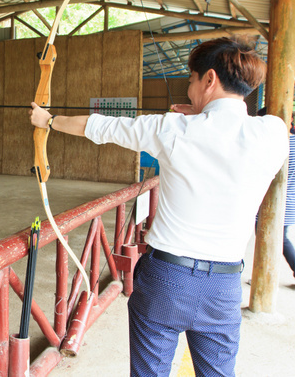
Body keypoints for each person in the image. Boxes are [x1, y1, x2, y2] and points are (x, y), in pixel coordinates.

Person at [29, 36, 288, 376]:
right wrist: (200, 112)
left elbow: (102, 127)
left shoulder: (172, 127)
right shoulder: (274, 132)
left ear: (209, 79)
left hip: (167, 277)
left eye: (192, 81)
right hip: (224, 286)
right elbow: (227, 130)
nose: (189, 90)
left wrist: (47, 120)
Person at [257, 107, 295, 278]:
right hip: (290, 200)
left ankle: (264, 277)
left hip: (275, 201)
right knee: (277, 238)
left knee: (275, 239)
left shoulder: (272, 144)